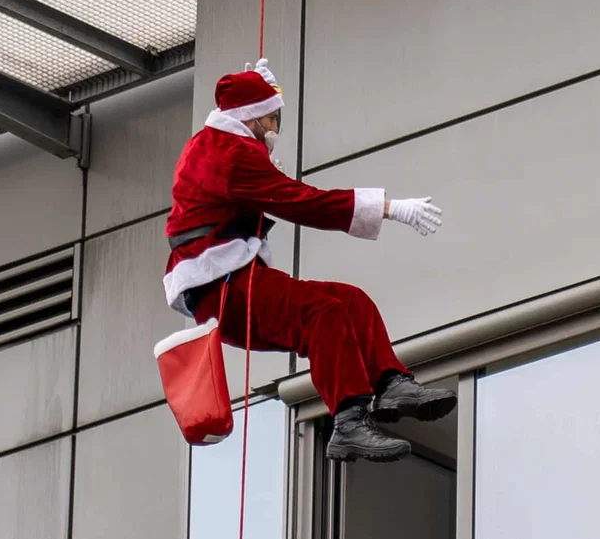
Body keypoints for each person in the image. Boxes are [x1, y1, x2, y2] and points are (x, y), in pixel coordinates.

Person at [161, 58, 455, 463]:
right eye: (271, 117)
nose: (274, 128)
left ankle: (391, 382)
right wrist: (387, 208)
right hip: (222, 287)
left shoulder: (217, 145)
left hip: (231, 278)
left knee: (352, 301)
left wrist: (254, 87)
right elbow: (300, 201)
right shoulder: (231, 154)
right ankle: (348, 422)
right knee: (322, 313)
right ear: (252, 116)